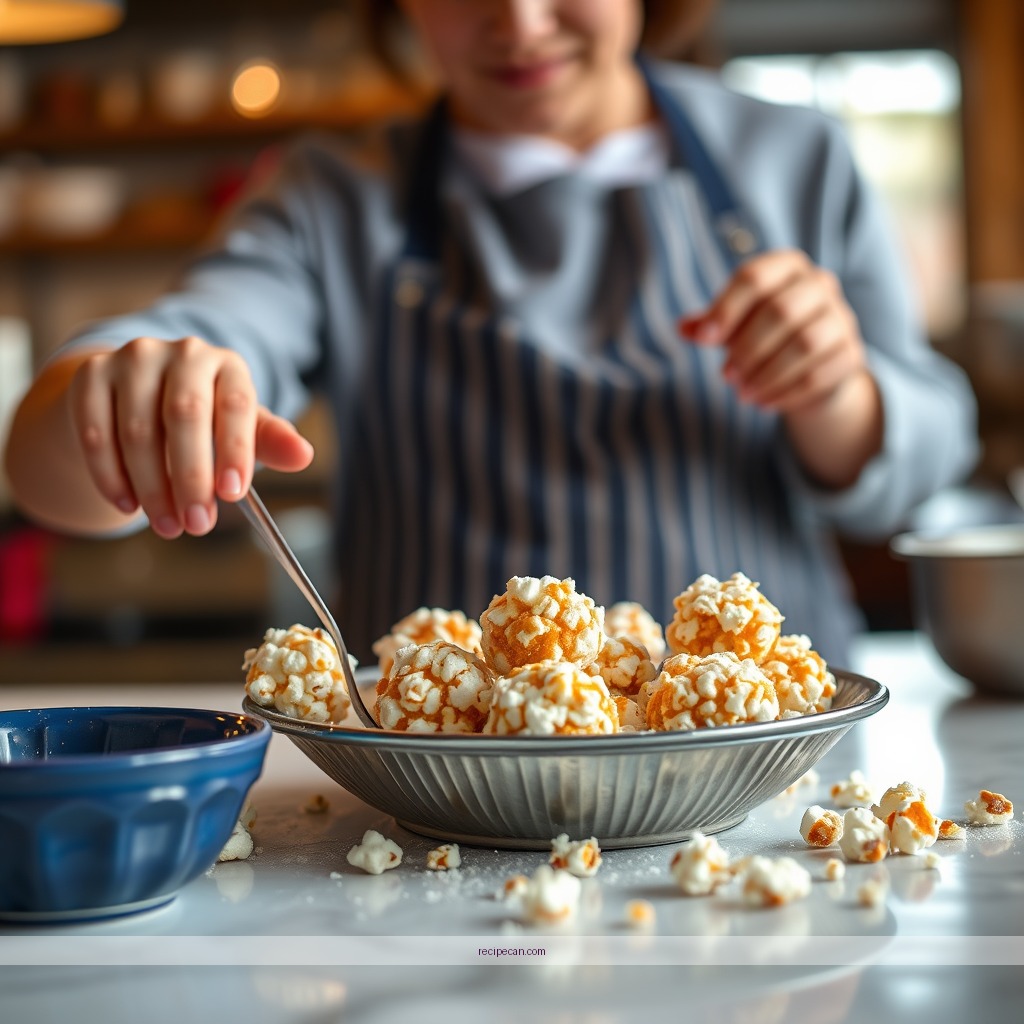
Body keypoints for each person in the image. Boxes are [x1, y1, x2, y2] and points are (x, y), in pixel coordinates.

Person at [3, 0, 978, 665]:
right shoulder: (331, 197)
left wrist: (836, 394)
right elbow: (76, 447)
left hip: (763, 784)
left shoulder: (791, 159)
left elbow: (929, 456)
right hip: (447, 804)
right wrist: (117, 396)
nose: (517, 19)